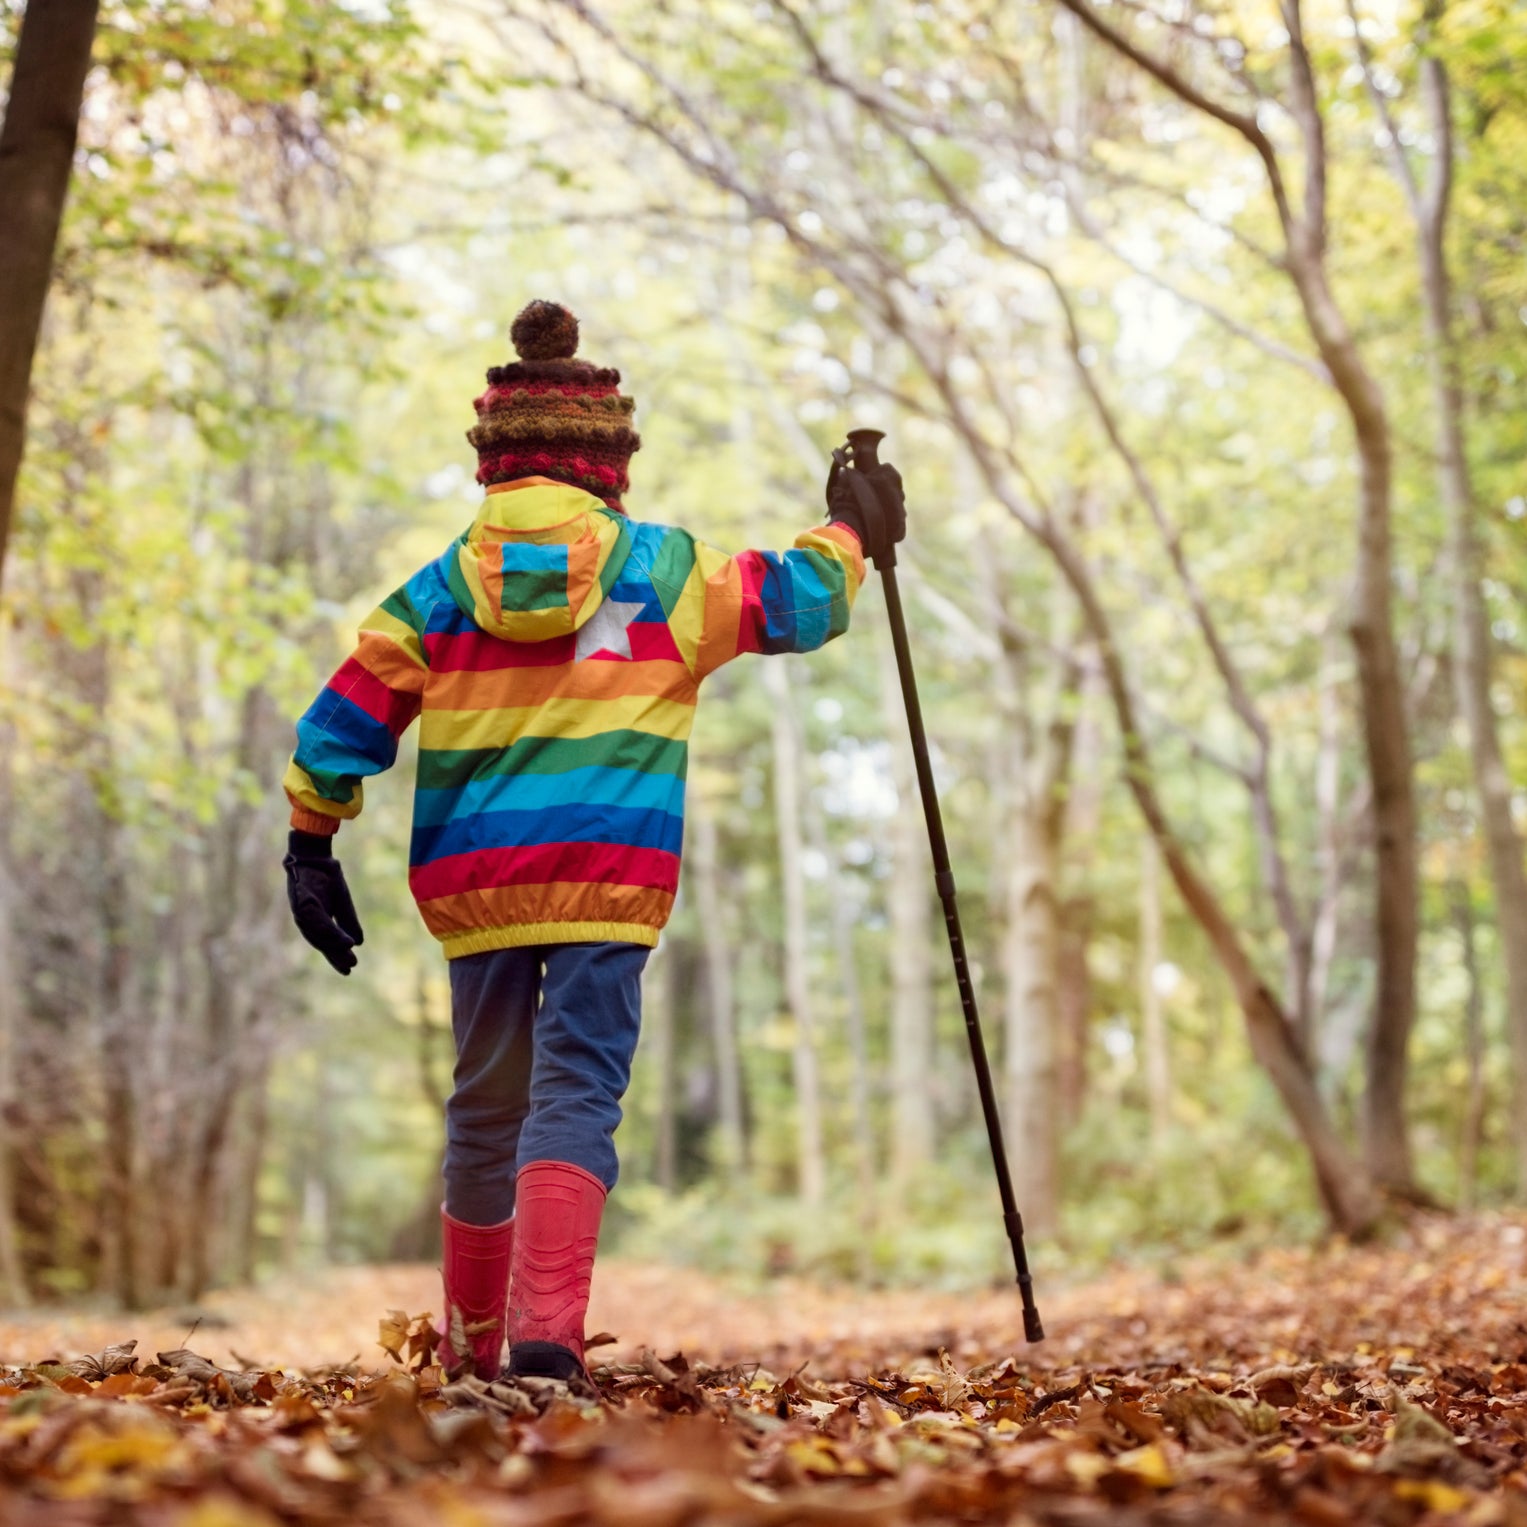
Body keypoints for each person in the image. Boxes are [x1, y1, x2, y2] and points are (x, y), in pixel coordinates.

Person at [280, 300, 905, 1386]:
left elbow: (344, 717)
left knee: (484, 1103)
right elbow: (799, 602)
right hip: (608, 880)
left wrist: (311, 840)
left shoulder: (435, 592)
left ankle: (474, 1355)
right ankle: (548, 1343)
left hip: (477, 887)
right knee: (575, 1090)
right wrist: (853, 529)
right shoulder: (664, 575)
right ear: (609, 460)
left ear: (496, 462)